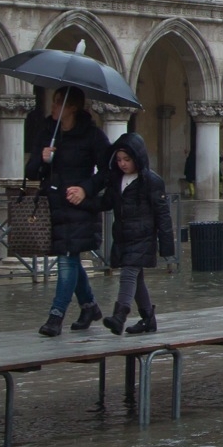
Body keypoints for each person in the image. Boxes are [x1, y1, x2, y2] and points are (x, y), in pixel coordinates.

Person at [25, 86, 111, 337]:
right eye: (53, 102)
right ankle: (89, 306)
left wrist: (85, 189)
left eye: (58, 102)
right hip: (54, 205)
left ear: (72, 107)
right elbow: (31, 172)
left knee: (66, 259)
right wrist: (43, 158)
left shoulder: (92, 136)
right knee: (70, 258)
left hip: (79, 207)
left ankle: (56, 315)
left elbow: (107, 172)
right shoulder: (46, 133)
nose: (53, 107)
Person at [97, 133, 172, 334]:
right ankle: (148, 319)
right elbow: (106, 203)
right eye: (119, 160)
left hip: (143, 236)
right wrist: (82, 201)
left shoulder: (151, 181)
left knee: (129, 273)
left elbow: (163, 214)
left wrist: (166, 245)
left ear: (137, 158)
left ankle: (119, 316)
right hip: (123, 236)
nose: (122, 164)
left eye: (127, 160)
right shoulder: (117, 180)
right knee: (136, 278)